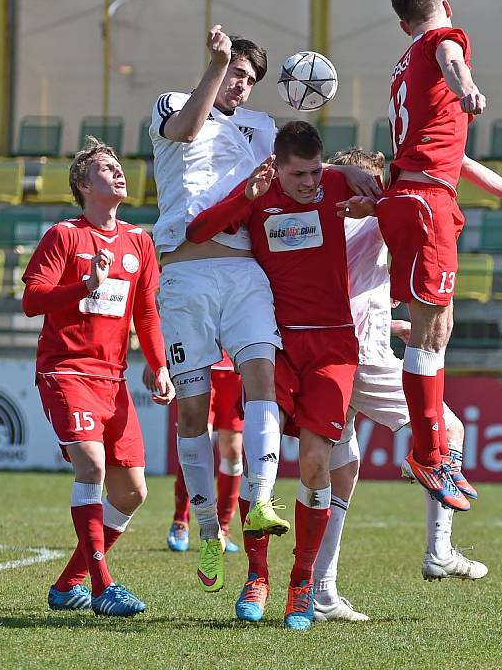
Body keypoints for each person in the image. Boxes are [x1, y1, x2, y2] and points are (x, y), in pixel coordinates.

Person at [150, 25, 376, 594]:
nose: (241, 86)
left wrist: (349, 171)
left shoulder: (260, 129)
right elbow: (187, 130)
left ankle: (262, 500)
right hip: (183, 272)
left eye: (250, 80)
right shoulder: (175, 103)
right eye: (235, 74)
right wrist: (216, 65)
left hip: (242, 270)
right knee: (193, 412)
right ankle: (205, 527)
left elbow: (301, 171)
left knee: (261, 382)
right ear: (214, 68)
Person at [315, 147, 502, 621]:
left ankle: (323, 589)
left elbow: (347, 291)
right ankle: (439, 551)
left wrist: (392, 324)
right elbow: (451, 165)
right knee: (448, 431)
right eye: (372, 179)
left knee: (340, 470)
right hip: (363, 358)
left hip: (332, 354)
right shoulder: (377, 215)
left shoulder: (327, 219)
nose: (379, 186)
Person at [185, 122, 361, 630]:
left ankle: (301, 584)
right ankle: (256, 575)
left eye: (316, 171)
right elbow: (198, 233)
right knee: (261, 458)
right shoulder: (259, 195)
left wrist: (361, 189)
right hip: (276, 342)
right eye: (300, 174)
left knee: (312, 463)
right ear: (278, 166)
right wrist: (248, 193)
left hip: (332, 345)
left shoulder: (337, 183)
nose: (311, 183)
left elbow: (388, 186)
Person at [21, 137, 174, 618]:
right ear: (85, 185)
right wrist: (84, 285)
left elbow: (146, 312)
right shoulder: (64, 236)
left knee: (132, 492)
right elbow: (32, 300)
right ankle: (104, 587)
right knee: (91, 467)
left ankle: (68, 584)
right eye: (108, 168)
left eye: (120, 167)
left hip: (114, 378)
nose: (120, 173)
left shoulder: (139, 241)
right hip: (66, 369)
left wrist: (158, 364)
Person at [371, 0, 487, 511]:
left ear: (400, 23)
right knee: (429, 334)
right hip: (424, 201)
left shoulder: (402, 68)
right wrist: (467, 87)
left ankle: (437, 452)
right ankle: (430, 452)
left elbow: (450, 153)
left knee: (438, 326)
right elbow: (451, 58)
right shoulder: (443, 40)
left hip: (413, 195)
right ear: (445, 4)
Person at [142, 356, 243, 553]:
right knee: (194, 447)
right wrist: (156, 358)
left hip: (234, 368)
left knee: (233, 452)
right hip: (196, 365)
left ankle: (222, 528)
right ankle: (181, 522)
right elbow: (167, 323)